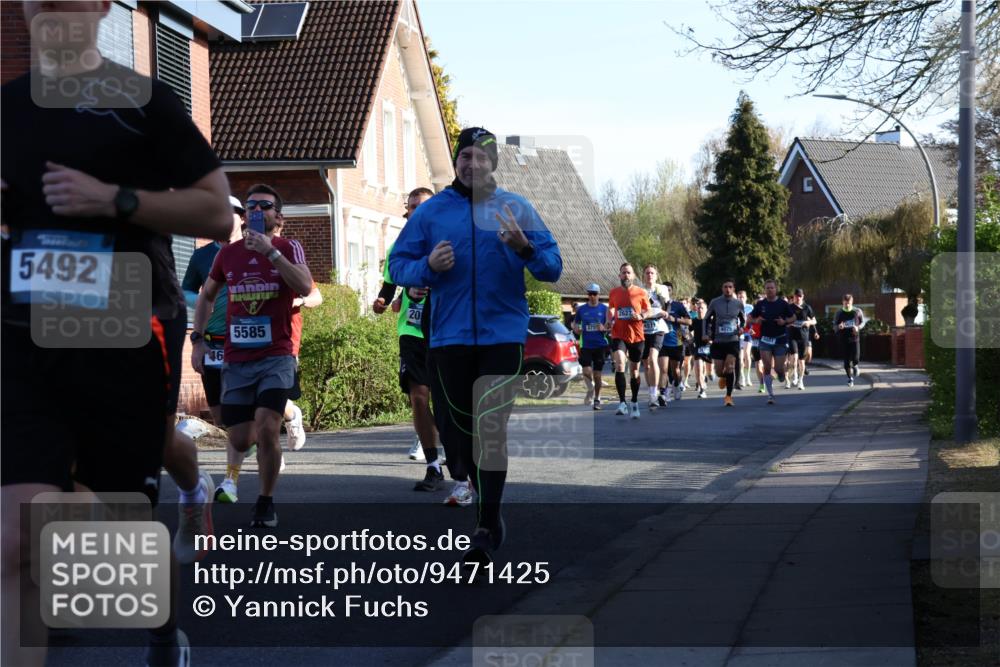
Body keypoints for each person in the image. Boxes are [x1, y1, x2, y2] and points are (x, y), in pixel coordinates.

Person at [1, 2, 232, 664]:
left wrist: (116, 200)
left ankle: (160, 609)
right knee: (17, 534)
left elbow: (217, 212)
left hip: (127, 329)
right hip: (24, 334)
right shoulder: (7, 107)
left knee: (122, 489)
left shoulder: (142, 103)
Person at [389, 127, 561, 565]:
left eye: (481, 157)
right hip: (447, 337)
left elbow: (553, 267)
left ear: (492, 163)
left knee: (490, 429)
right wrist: (426, 265)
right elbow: (396, 264)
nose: (472, 163)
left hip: (502, 335)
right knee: (455, 432)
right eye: (465, 156)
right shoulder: (431, 215)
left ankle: (486, 524)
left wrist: (524, 248)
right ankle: (463, 471)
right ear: (457, 161)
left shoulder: (516, 207)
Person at [192, 184, 313, 528]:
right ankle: (243, 472)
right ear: (245, 216)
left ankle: (265, 500)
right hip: (237, 359)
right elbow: (206, 297)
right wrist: (198, 339)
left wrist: (271, 254)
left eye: (266, 205)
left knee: (268, 426)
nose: (258, 211)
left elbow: (304, 287)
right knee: (242, 436)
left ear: (278, 216)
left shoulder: (288, 247)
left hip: (277, 356)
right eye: (252, 206)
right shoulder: (227, 254)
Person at [374, 187, 447, 492]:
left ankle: (458, 456)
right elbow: (388, 287)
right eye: (412, 206)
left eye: (422, 205)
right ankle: (432, 466)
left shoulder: (447, 242)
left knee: (446, 402)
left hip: (445, 330)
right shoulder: (400, 246)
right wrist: (380, 302)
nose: (416, 210)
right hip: (412, 332)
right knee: (418, 397)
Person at [183, 196, 245, 428]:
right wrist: (201, 300)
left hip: (247, 339)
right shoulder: (201, 256)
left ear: (242, 219)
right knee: (220, 416)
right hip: (213, 341)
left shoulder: (255, 250)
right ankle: (247, 444)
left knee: (251, 404)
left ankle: (265, 445)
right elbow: (185, 290)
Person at [273, 218, 319, 452]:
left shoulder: (290, 261)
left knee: (276, 395)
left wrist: (299, 300)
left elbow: (316, 296)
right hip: (254, 339)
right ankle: (270, 453)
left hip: (286, 339)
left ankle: (292, 416)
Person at [608, 263, 648, 418]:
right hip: (618, 334)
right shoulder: (614, 292)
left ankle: (635, 402)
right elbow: (611, 308)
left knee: (635, 371)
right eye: (623, 272)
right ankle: (622, 403)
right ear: (619, 275)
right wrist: (608, 319)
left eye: (628, 272)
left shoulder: (640, 292)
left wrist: (641, 316)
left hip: (637, 336)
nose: (626, 275)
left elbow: (648, 309)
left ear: (633, 276)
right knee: (619, 364)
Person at [749, 280, 797, 404]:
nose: (770, 290)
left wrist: (785, 322)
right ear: (765, 290)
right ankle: (770, 395)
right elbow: (749, 318)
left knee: (778, 368)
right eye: (767, 288)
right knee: (767, 367)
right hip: (765, 340)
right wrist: (756, 321)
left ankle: (781, 374)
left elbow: (794, 317)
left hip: (780, 339)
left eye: (772, 288)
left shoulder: (783, 303)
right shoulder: (760, 304)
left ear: (776, 289)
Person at [704, 279, 746, 407]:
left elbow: (743, 320)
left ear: (733, 289)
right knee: (719, 371)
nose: (728, 289)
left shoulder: (738, 304)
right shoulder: (715, 302)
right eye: (725, 287)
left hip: (732, 340)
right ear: (722, 289)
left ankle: (728, 396)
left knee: (730, 366)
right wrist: (705, 334)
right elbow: (706, 319)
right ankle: (723, 377)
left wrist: (741, 328)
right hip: (718, 340)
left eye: (730, 287)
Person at [572, 283, 610, 410]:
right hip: (586, 345)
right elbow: (575, 324)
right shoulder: (581, 310)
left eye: (594, 294)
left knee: (597, 375)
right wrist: (577, 330)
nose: (592, 296)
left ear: (599, 295)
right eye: (590, 294)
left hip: (600, 345)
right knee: (586, 372)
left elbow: (610, 326)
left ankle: (597, 398)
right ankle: (590, 389)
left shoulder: (605, 309)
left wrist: (604, 328)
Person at [640, 265, 671, 409]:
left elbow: (667, 307)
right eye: (647, 273)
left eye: (652, 273)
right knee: (646, 363)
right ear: (643, 275)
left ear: (656, 275)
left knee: (653, 358)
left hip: (658, 327)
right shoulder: (639, 290)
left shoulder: (662, 289)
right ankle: (653, 390)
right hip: (644, 329)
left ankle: (654, 394)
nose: (649, 275)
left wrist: (663, 312)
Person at [658, 281, 693, 402]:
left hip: (676, 342)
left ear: (671, 291)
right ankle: (663, 394)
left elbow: (689, 321)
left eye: (668, 290)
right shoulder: (657, 305)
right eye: (664, 290)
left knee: (675, 371)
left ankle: (677, 385)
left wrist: (674, 319)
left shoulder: (678, 305)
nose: (666, 292)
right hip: (661, 342)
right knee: (663, 369)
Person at [787, 288, 816, 390]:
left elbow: (814, 321)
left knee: (802, 361)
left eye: (800, 296)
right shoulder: (789, 307)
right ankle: (794, 374)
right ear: (794, 297)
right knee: (794, 358)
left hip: (803, 337)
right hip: (792, 336)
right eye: (796, 296)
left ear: (803, 297)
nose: (798, 298)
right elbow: (784, 320)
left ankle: (800, 381)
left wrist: (808, 322)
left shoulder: (807, 308)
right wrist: (788, 323)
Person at [835, 293, 864, 386]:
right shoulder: (839, 313)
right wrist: (839, 327)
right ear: (842, 302)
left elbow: (863, 323)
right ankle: (850, 378)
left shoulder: (857, 311)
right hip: (844, 339)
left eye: (849, 303)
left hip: (855, 339)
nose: (847, 305)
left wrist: (858, 328)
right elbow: (834, 326)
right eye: (845, 303)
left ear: (852, 302)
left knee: (856, 358)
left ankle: (855, 366)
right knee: (846, 362)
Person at [688, 298, 711, 398]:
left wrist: (711, 339)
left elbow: (716, 333)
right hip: (698, 348)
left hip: (710, 348)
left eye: (702, 308)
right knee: (698, 368)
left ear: (706, 309)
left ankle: (709, 374)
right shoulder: (694, 321)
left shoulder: (710, 321)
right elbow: (687, 331)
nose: (700, 309)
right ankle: (702, 390)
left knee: (710, 372)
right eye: (698, 308)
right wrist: (691, 338)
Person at [737, 289, 754, 388]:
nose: (741, 299)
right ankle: (742, 377)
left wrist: (752, 329)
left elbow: (754, 320)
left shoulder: (750, 307)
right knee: (740, 358)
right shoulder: (735, 307)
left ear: (746, 298)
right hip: (739, 335)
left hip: (748, 334)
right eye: (739, 297)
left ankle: (748, 377)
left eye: (743, 297)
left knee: (747, 354)